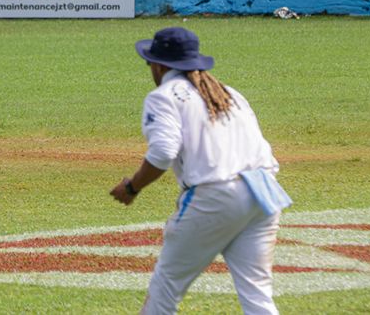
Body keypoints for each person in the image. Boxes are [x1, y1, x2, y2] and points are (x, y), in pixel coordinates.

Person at [110, 27, 291, 315]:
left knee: (165, 288)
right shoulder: (228, 92)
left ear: (159, 65)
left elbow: (162, 153)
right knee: (257, 294)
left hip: (215, 195)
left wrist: (132, 187)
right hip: (264, 192)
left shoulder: (163, 96)